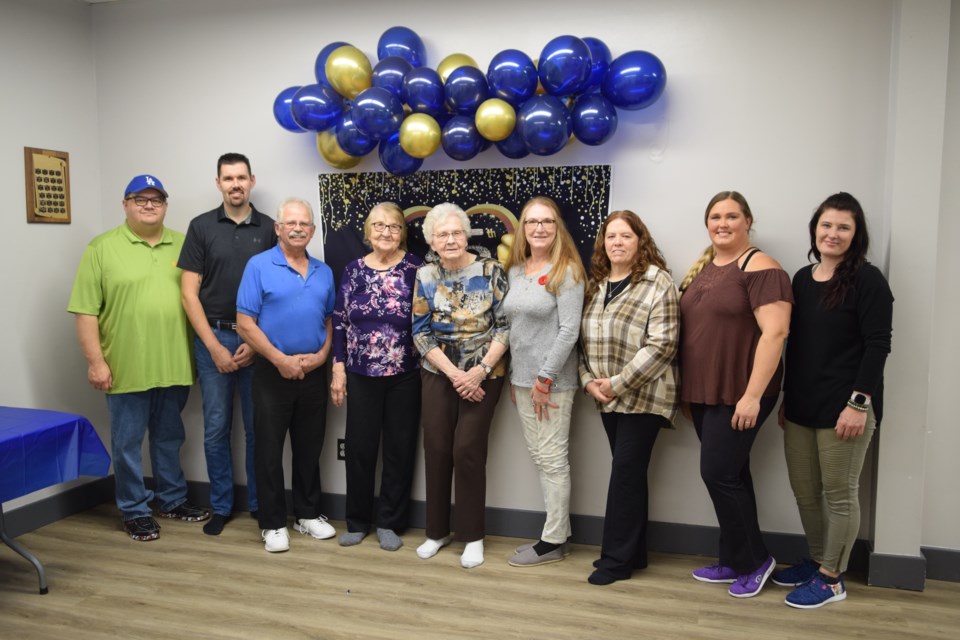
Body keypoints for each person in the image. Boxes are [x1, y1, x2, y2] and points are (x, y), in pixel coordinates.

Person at [68, 174, 210, 541]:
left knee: (168, 438)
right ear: (125, 204)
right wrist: (96, 362)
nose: (149, 205)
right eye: (139, 199)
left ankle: (171, 499)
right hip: (124, 366)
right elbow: (85, 312)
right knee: (127, 443)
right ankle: (133, 510)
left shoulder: (185, 245)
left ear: (165, 205)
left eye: (156, 199)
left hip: (175, 363)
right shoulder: (102, 248)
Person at [772, 192, 893, 608]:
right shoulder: (802, 279)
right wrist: (787, 398)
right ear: (815, 229)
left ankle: (832, 579)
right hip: (803, 405)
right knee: (805, 492)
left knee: (840, 494)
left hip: (846, 408)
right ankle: (819, 559)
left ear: (855, 235)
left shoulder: (868, 280)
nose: (833, 233)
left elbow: (878, 345)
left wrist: (859, 404)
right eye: (826, 225)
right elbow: (799, 346)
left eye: (844, 227)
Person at [679, 190, 793, 598]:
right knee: (733, 475)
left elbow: (776, 333)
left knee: (719, 473)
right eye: (715, 217)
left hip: (742, 391)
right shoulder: (706, 267)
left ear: (748, 221)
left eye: (731, 216)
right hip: (706, 393)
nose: (722, 223)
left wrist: (752, 397)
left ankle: (755, 561)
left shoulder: (762, 267)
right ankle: (733, 557)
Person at [578, 211, 680, 585]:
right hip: (606, 398)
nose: (617, 242)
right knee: (631, 476)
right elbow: (582, 344)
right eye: (611, 236)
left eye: (625, 235)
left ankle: (615, 561)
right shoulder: (597, 284)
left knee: (624, 475)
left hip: (645, 395)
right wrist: (589, 381)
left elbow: (663, 344)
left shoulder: (658, 282)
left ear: (641, 240)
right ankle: (635, 554)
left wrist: (616, 384)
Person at [178, 153, 276, 536]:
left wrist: (255, 343)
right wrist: (214, 347)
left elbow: (276, 293)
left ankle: (257, 504)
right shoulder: (201, 227)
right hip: (212, 336)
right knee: (216, 427)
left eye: (241, 177)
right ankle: (221, 505)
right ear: (218, 183)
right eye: (227, 178)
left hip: (258, 339)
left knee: (257, 428)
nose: (235, 184)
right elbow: (189, 295)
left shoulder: (270, 228)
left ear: (252, 180)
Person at [411, 203, 510, 569]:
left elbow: (505, 326)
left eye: (456, 232)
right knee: (436, 447)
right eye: (442, 234)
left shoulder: (491, 270)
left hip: (486, 372)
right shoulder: (424, 275)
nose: (450, 239)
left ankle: (472, 536)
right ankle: (437, 531)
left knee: (466, 449)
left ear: (467, 235)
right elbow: (419, 333)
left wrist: (479, 370)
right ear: (432, 242)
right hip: (440, 371)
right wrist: (455, 374)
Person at [236, 197, 336, 553]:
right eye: (290, 223)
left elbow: (328, 320)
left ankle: (307, 515)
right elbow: (245, 323)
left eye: (304, 224)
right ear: (278, 228)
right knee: (268, 449)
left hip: (312, 372)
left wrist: (323, 356)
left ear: (312, 230)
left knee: (310, 447)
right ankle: (273, 523)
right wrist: (280, 359)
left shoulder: (324, 271)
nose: (297, 228)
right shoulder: (258, 266)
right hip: (271, 370)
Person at [330, 203, 423, 551]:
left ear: (403, 232)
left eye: (394, 226)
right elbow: (339, 321)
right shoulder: (352, 270)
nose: (386, 232)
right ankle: (356, 521)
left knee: (399, 449)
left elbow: (428, 318)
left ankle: (389, 522)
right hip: (359, 372)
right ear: (368, 232)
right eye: (379, 226)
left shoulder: (417, 267)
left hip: (406, 373)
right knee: (359, 448)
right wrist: (338, 368)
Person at [502, 196, 585, 567]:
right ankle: (558, 534)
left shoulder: (565, 271)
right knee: (541, 459)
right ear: (522, 227)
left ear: (557, 227)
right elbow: (514, 329)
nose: (539, 228)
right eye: (532, 222)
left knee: (552, 460)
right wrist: (517, 379)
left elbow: (569, 331)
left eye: (547, 222)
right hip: (522, 381)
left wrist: (543, 379)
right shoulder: (516, 271)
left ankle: (551, 541)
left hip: (551, 383)